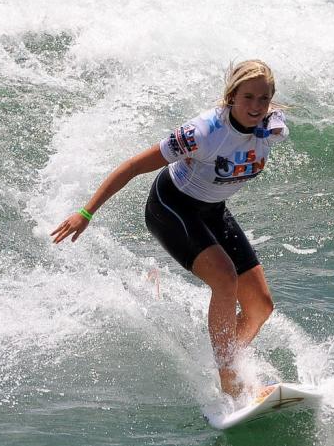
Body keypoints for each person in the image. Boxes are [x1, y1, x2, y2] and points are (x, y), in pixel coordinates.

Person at [50, 60, 289, 398]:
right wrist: (86, 212)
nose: (255, 106)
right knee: (225, 280)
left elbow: (270, 122)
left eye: (263, 99)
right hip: (171, 207)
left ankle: (226, 361)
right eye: (247, 97)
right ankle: (229, 381)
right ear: (231, 96)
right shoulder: (203, 133)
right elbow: (133, 166)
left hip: (212, 211)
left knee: (260, 306)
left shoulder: (272, 125)